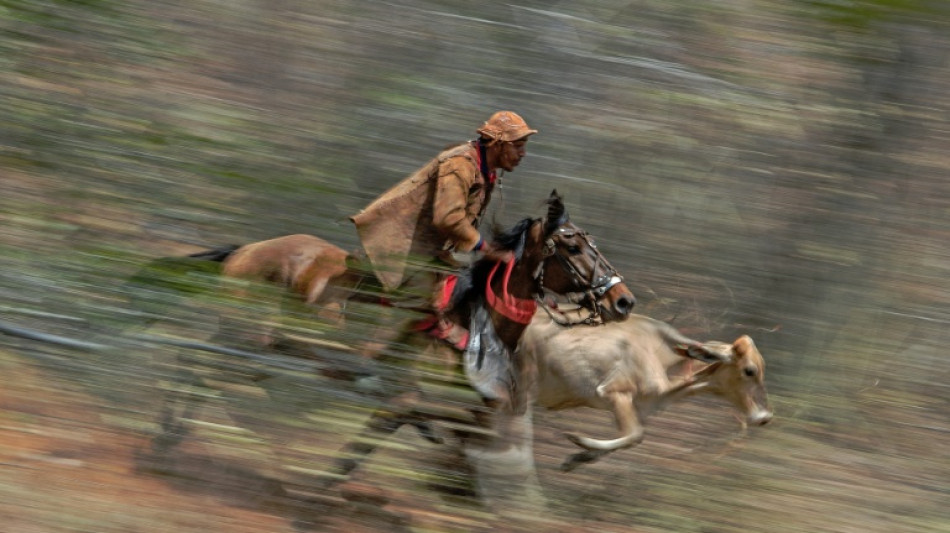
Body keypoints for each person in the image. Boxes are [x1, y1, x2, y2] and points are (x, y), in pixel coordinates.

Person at [349, 110, 537, 350]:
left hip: (432, 250)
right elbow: (448, 218)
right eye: (518, 146)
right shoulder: (460, 164)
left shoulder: (483, 169)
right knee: (418, 302)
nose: (522, 153)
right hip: (405, 243)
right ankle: (368, 363)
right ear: (498, 145)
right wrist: (485, 248)